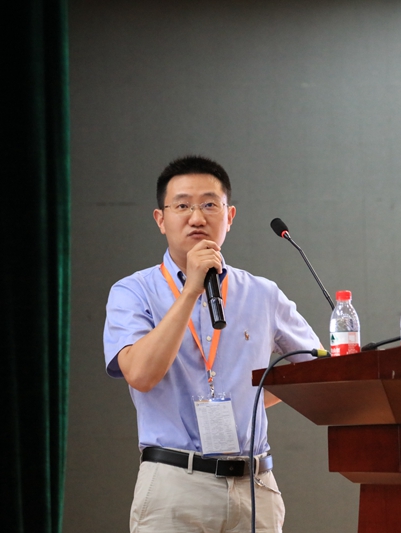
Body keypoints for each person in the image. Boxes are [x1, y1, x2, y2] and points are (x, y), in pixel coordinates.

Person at [103, 155, 321, 533]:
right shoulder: (133, 292)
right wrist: (191, 289)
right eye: (182, 206)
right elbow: (140, 374)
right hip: (175, 485)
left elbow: (318, 370)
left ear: (229, 216)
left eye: (209, 205)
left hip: (255, 486)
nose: (197, 217)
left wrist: (246, 397)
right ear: (161, 219)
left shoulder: (263, 293)